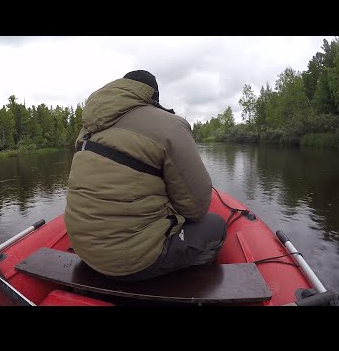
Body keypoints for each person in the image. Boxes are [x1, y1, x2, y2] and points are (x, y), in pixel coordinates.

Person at [64, 70, 226, 282]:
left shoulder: (88, 127)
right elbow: (196, 208)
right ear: (152, 96)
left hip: (84, 248)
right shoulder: (170, 125)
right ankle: (185, 283)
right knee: (216, 225)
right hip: (131, 262)